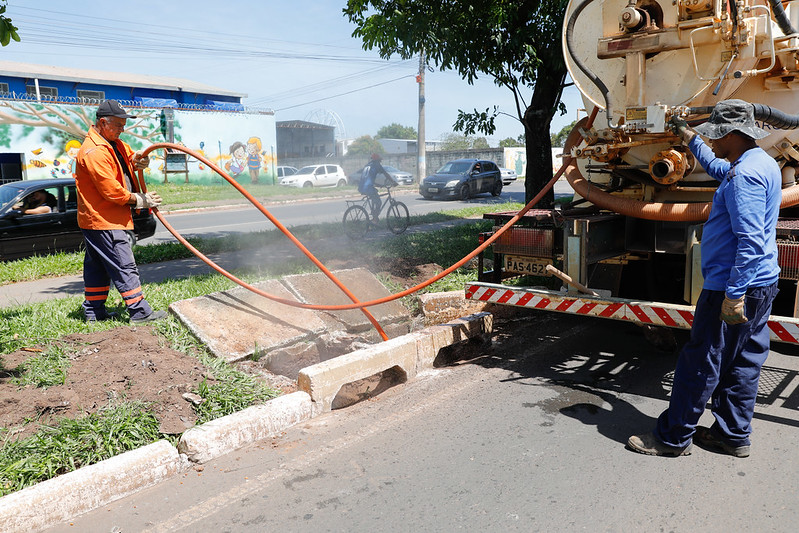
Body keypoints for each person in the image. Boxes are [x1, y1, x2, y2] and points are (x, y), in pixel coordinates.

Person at [627, 99, 781, 458]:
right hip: (762, 283)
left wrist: (734, 295)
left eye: (715, 136)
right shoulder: (759, 163)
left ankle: (672, 438)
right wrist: (689, 137)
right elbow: (717, 168)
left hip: (733, 286)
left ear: (731, 134)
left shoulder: (743, 177)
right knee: (745, 359)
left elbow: (750, 240)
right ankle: (732, 435)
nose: (712, 142)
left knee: (701, 361)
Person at [75, 99, 167, 323]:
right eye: (118, 125)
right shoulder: (95, 151)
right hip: (105, 219)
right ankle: (140, 311)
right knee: (123, 263)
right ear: (103, 122)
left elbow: (129, 157)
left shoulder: (113, 142)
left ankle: (94, 312)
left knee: (97, 266)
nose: (122, 129)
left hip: (98, 220)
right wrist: (139, 199)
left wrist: (139, 161)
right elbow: (111, 191)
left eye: (123, 125)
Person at [358, 153, 396, 221]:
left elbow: (368, 178)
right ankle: (374, 219)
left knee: (375, 194)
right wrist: (393, 182)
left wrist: (378, 185)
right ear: (377, 160)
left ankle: (374, 217)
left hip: (361, 187)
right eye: (379, 160)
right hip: (368, 188)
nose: (380, 162)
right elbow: (386, 174)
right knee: (379, 202)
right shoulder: (377, 165)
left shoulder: (368, 165)